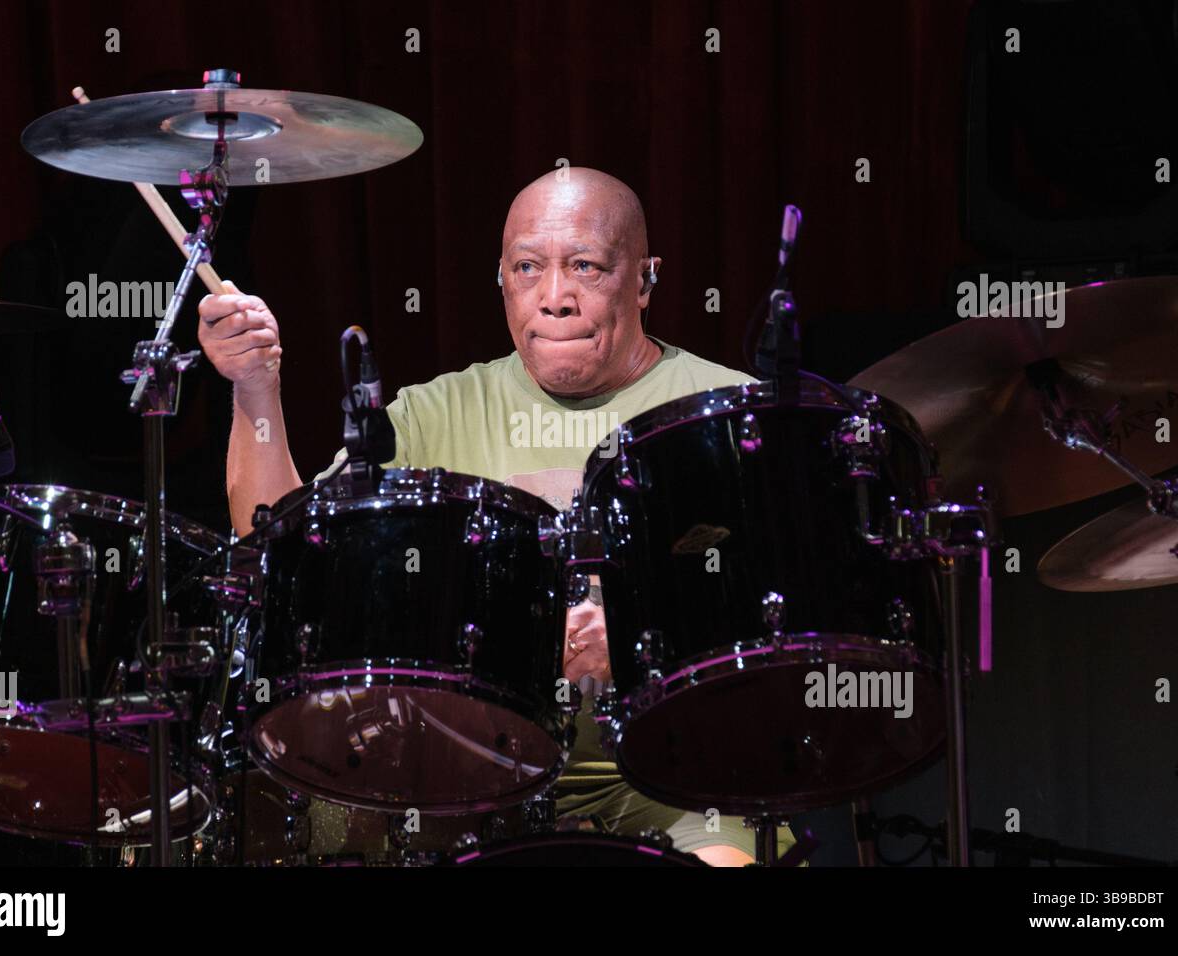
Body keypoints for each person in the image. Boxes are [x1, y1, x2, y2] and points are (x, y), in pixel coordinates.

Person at [199, 167, 796, 866]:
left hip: (687, 780)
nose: (554, 299)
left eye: (586, 267)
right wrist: (255, 390)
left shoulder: (735, 413)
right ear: (502, 280)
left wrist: (638, 634)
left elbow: (797, 616)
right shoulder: (434, 414)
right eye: (527, 267)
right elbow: (277, 552)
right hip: (466, 785)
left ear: (643, 280)